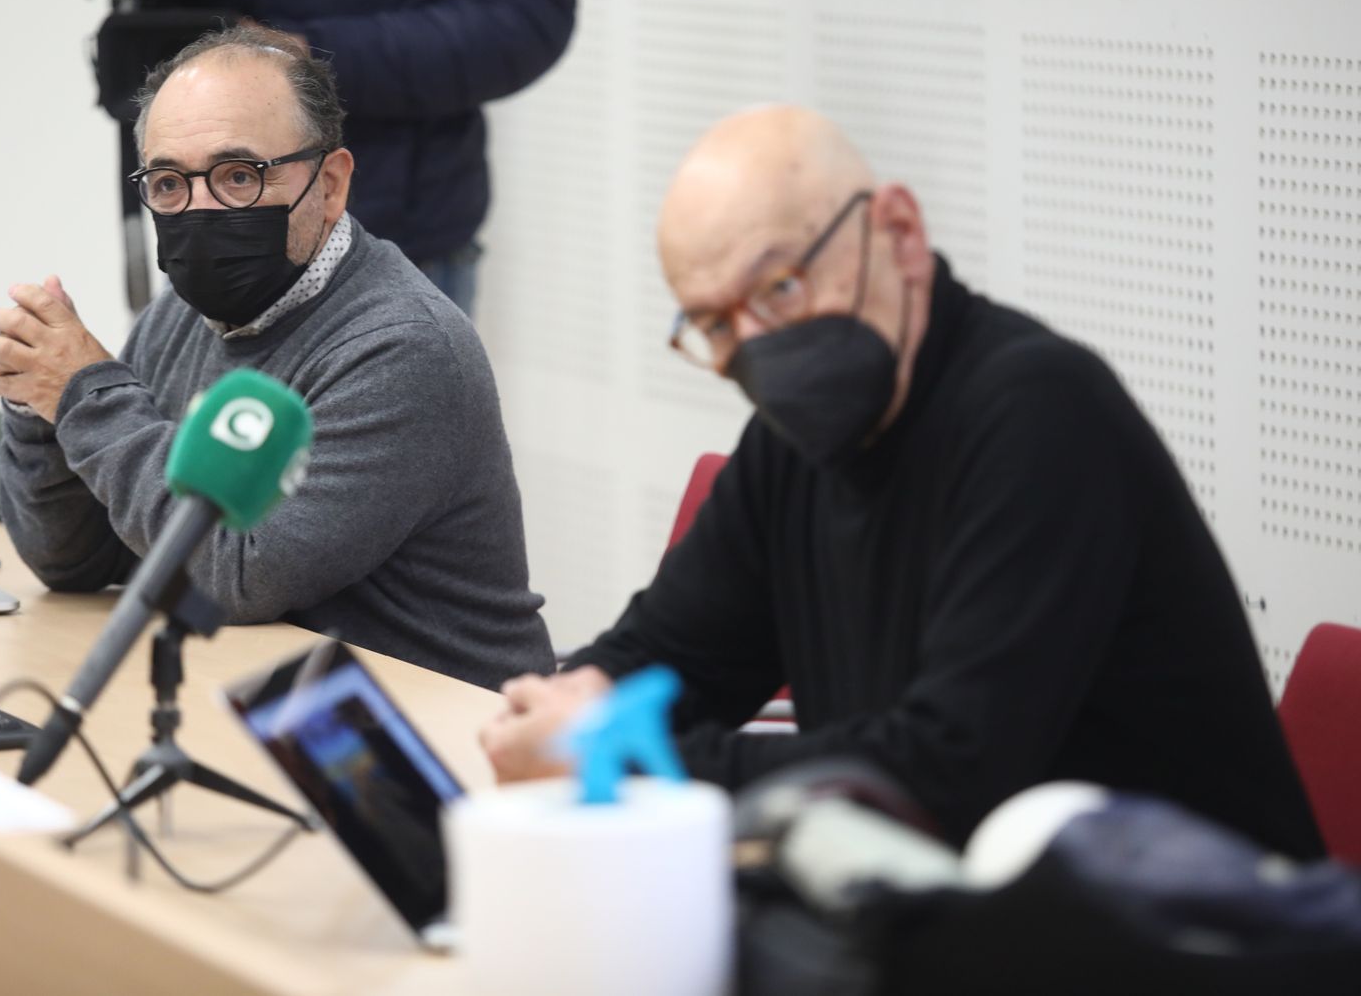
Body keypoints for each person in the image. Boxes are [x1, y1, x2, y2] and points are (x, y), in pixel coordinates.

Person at [479, 105, 1326, 859]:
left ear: (900, 231)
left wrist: (617, 750)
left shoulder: (1039, 414)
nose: (756, 346)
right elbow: (674, 654)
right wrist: (566, 702)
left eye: (779, 287)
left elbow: (947, 773)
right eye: (714, 323)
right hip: (974, 919)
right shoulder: (790, 448)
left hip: (1199, 935)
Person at [0, 25, 552, 691]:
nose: (199, 209)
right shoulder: (180, 313)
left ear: (331, 184)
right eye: (168, 183)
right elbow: (75, 561)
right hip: (267, 692)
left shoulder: (401, 346)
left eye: (238, 176)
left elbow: (242, 571)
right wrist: (40, 403)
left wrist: (85, 393)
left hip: (426, 732)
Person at [56, 0, 576, 315]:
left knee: (379, 455)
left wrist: (301, 62)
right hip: (198, 231)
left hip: (389, 230)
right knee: (192, 454)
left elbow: (525, 17)